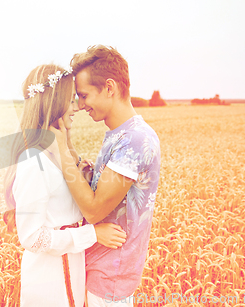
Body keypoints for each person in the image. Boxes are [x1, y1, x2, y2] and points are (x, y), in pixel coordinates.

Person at [3, 64, 127, 307]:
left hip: (69, 268)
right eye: (71, 101)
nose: (78, 107)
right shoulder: (34, 161)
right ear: (53, 104)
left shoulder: (57, 155)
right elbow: (32, 238)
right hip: (49, 282)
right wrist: (92, 234)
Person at [50, 45, 161, 307]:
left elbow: (94, 210)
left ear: (109, 88)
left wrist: (62, 150)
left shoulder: (134, 139)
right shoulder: (120, 133)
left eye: (84, 95)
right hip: (101, 270)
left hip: (110, 277)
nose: (80, 105)